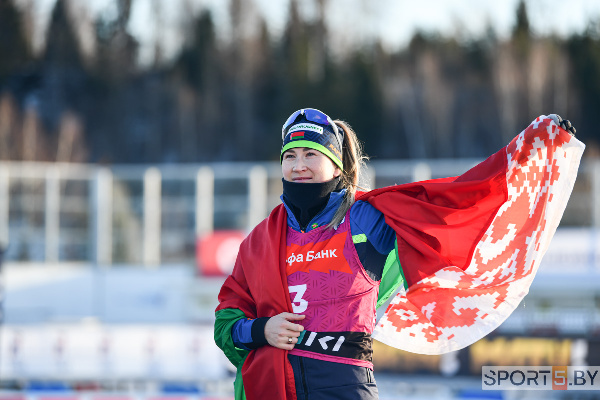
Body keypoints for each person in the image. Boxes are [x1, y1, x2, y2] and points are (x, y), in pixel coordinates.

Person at [214, 109, 584, 400]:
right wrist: (261, 329)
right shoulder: (260, 240)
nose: (299, 165)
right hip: (275, 389)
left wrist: (529, 150)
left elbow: (456, 200)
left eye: (311, 154)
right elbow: (226, 323)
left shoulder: (364, 218)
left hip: (344, 384)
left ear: (336, 163)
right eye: (290, 156)